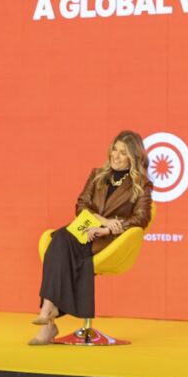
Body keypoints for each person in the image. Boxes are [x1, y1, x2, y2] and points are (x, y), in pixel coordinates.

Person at [29, 130, 153, 345]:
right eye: (114, 149)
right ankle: (48, 316)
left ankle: (48, 316)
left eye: (123, 152)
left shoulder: (142, 185)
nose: (115, 155)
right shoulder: (97, 175)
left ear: (133, 157)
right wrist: (99, 220)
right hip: (85, 229)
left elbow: (141, 218)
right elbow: (81, 205)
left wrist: (109, 229)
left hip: (108, 241)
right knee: (59, 239)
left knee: (59, 241)